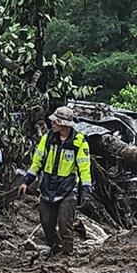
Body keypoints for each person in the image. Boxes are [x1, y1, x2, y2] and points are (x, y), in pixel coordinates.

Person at [19, 105, 93, 257]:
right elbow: (37, 162)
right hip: (47, 187)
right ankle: (55, 247)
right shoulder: (47, 139)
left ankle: (67, 256)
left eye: (56, 121)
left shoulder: (79, 142)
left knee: (65, 224)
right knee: (46, 223)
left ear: (65, 124)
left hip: (67, 189)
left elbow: (84, 169)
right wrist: (26, 181)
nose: (52, 123)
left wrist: (86, 191)